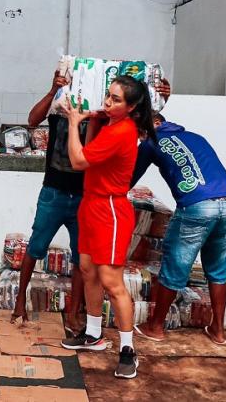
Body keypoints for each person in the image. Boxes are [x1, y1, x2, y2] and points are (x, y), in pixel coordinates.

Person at [59, 76, 157, 380]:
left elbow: (78, 160)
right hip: (91, 204)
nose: (107, 102)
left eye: (116, 99)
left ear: (131, 107)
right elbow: (91, 151)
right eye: (108, 95)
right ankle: (93, 334)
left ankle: (128, 350)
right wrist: (92, 120)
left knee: (112, 282)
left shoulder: (123, 130)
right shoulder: (110, 124)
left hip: (111, 210)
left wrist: (73, 122)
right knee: (87, 270)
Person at [133, 114, 226, 346]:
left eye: (139, 132)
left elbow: (128, 178)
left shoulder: (150, 141)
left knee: (175, 266)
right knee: (218, 269)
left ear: (154, 124)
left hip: (196, 206)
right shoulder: (196, 137)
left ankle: (155, 327)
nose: (139, 138)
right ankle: (218, 331)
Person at [10, 68, 86, 334]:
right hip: (53, 191)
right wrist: (54, 89)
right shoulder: (59, 106)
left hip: (83, 196)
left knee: (81, 257)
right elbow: (32, 119)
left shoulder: (97, 113)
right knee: (36, 247)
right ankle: (20, 301)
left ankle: (73, 313)